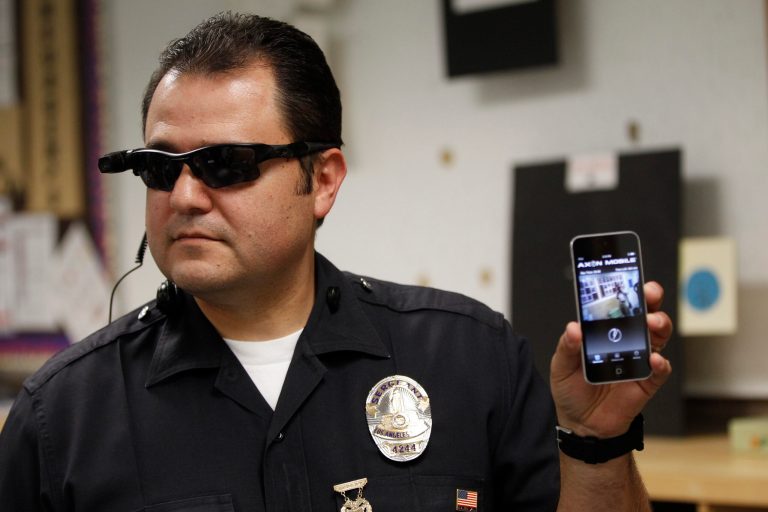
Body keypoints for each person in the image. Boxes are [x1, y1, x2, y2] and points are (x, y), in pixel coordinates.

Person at [0, 12, 673, 511]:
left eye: (225, 165)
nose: (183, 197)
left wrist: (593, 442)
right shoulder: (63, 417)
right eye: (158, 168)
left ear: (323, 180)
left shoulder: (471, 359)